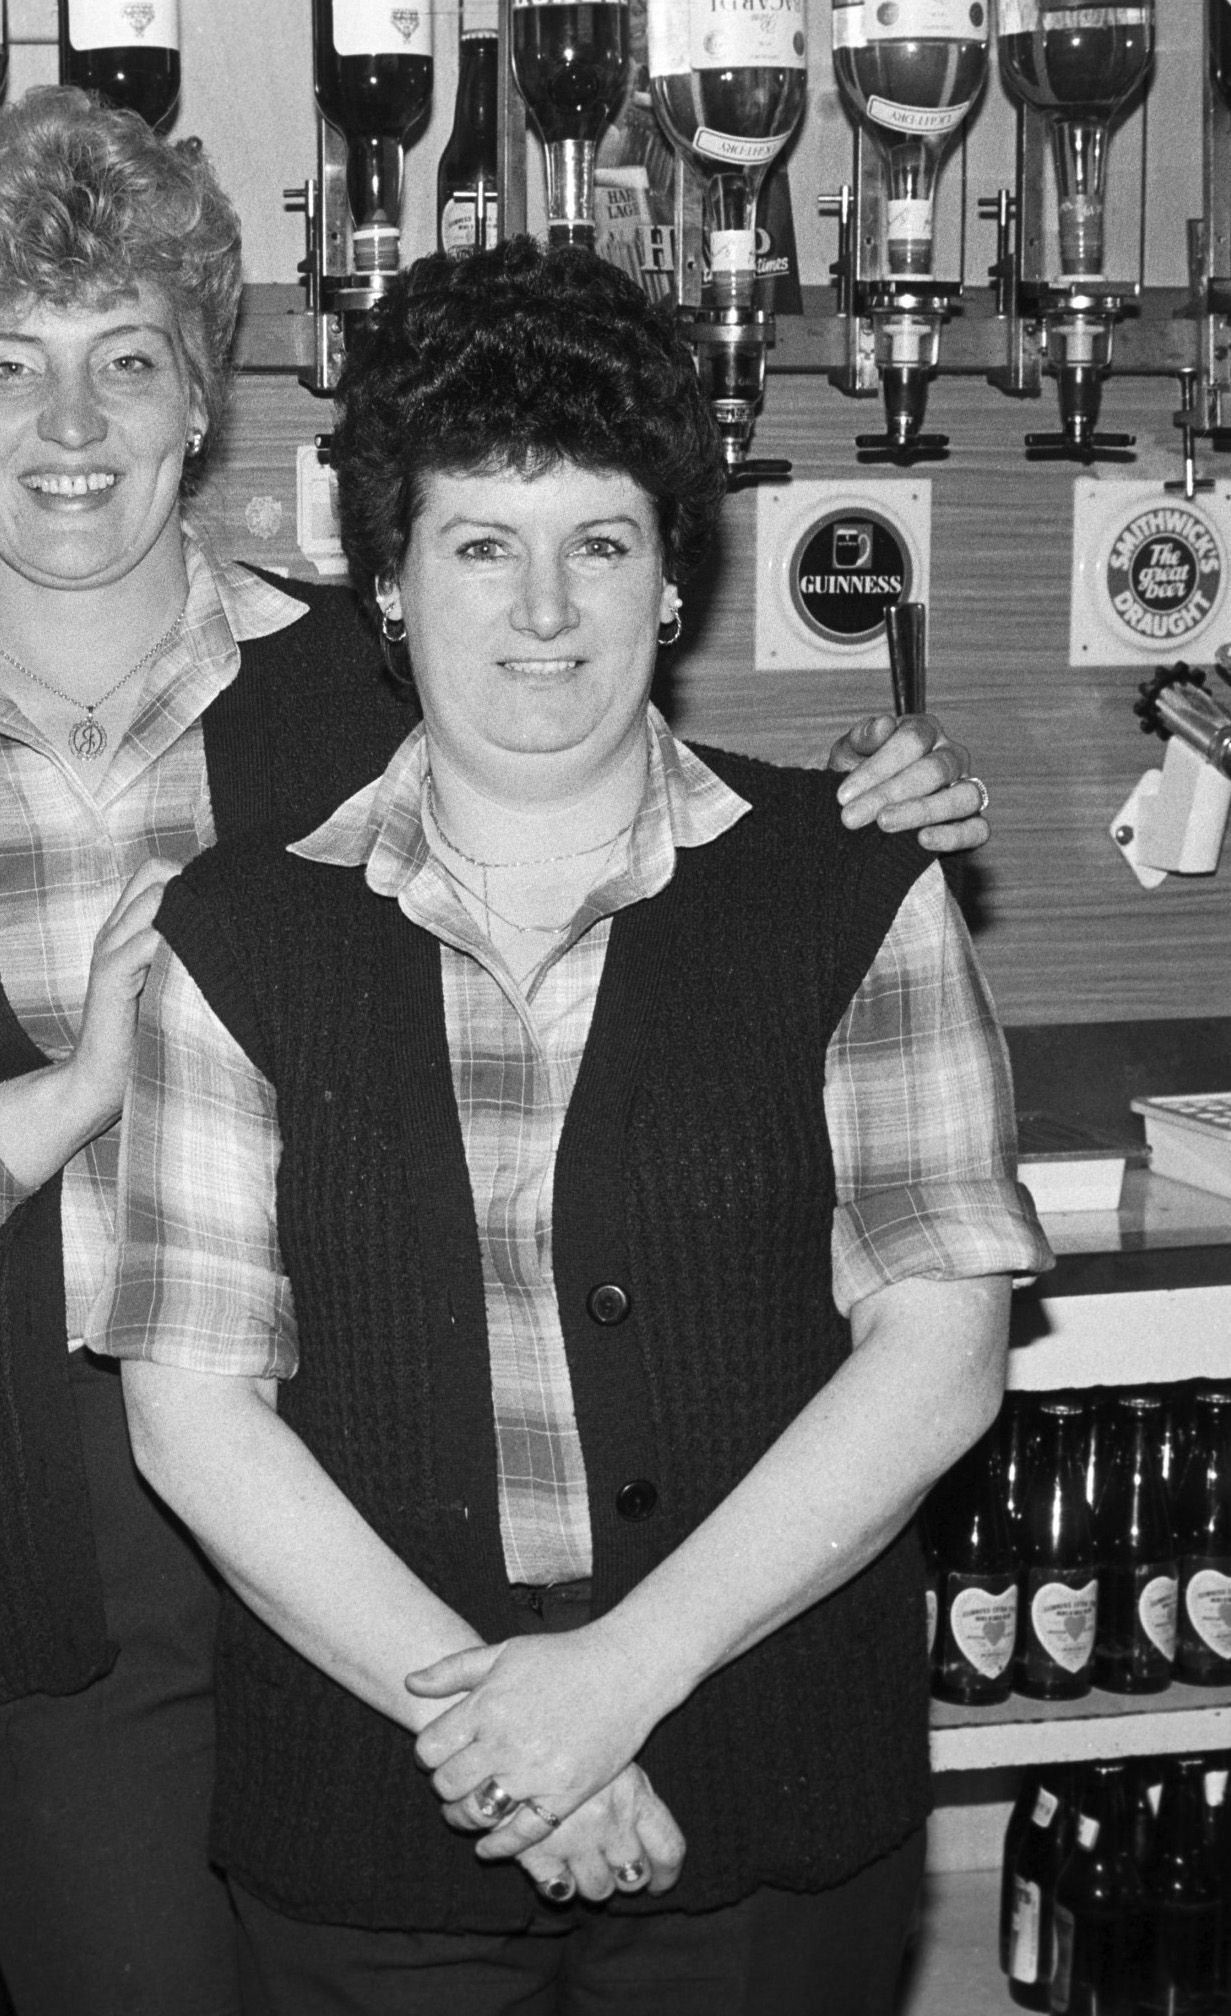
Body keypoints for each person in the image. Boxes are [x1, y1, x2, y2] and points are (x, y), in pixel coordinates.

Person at [0, 90, 995, 2016]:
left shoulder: (372, 671)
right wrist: (59, 1108)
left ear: (203, 402)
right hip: (50, 1538)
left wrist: (854, 814)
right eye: (9, 366)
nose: (73, 428)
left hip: (406, 1478)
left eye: (128, 361)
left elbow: (627, 871)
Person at [106, 240, 1052, 2013]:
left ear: (672, 582)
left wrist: (622, 1673)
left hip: (764, 1792)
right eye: (480, 544)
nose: (544, 611)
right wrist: (504, 1731)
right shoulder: (234, 938)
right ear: (384, 582)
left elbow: (941, 1352)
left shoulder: (850, 892)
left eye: (600, 543)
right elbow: (192, 1412)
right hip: (375, 1823)